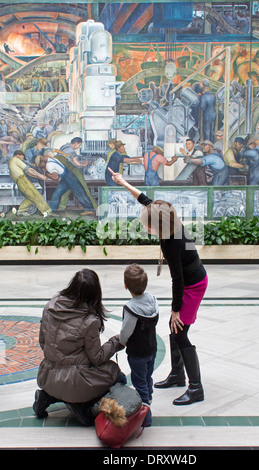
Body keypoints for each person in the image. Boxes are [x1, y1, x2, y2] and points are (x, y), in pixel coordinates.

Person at [107, 167, 208, 406]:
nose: (146, 227)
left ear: (158, 225)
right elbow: (144, 199)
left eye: (148, 225)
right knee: (175, 330)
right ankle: (176, 375)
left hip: (194, 285)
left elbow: (178, 280)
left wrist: (175, 310)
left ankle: (196, 387)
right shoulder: (166, 217)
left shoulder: (173, 242)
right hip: (190, 281)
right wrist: (122, 182)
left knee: (179, 330)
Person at [33, 269, 125, 426]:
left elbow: (43, 342)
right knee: (118, 376)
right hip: (74, 380)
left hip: (47, 374)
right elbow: (96, 358)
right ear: (95, 293)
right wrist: (117, 341)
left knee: (73, 377)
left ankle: (48, 396)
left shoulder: (50, 306)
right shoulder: (90, 320)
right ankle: (80, 406)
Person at [120, 264, 159, 426]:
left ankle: (145, 417)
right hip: (152, 348)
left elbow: (126, 332)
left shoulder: (131, 309)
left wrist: (122, 342)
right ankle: (148, 396)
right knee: (147, 378)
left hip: (137, 354)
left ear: (126, 286)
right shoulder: (152, 300)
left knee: (139, 382)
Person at [38, 149, 96, 216]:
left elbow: (56, 178)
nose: (40, 167)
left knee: (79, 192)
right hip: (66, 175)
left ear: (42, 163)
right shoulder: (51, 159)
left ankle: (90, 209)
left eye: (40, 166)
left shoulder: (49, 166)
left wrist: (46, 174)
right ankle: (52, 209)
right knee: (57, 192)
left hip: (68, 177)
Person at [8, 149, 51, 217]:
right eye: (22, 157)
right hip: (22, 180)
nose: (22, 160)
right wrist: (41, 176)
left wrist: (39, 176)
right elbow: (29, 170)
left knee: (31, 196)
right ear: (18, 155)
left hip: (22, 180)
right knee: (34, 196)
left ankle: (21, 211)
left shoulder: (12, 162)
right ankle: (46, 211)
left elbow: (29, 173)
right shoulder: (15, 159)